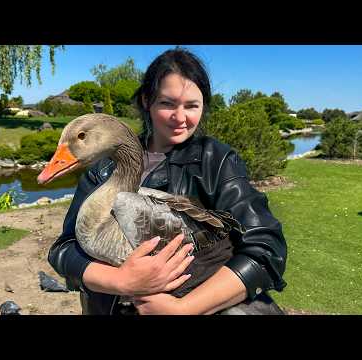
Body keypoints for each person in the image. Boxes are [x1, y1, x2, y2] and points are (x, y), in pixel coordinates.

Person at [48, 47, 287, 315]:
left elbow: (266, 249)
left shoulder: (215, 160)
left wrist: (183, 308)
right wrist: (121, 282)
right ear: (147, 101)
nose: (180, 117)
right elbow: (65, 249)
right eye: (167, 103)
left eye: (192, 106)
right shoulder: (104, 169)